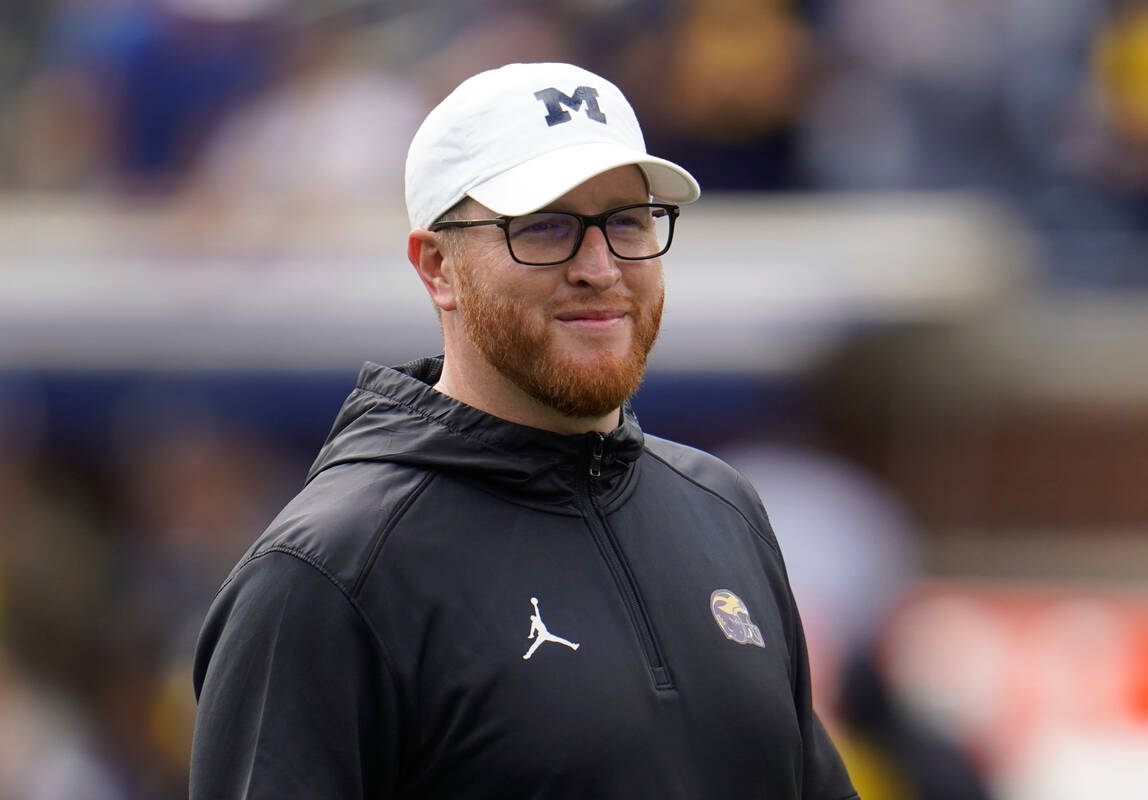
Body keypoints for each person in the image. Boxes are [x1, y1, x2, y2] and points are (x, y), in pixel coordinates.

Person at [189, 61, 859, 800]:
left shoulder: (722, 511)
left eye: (627, 221)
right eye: (547, 227)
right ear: (437, 267)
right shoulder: (328, 573)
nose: (600, 267)